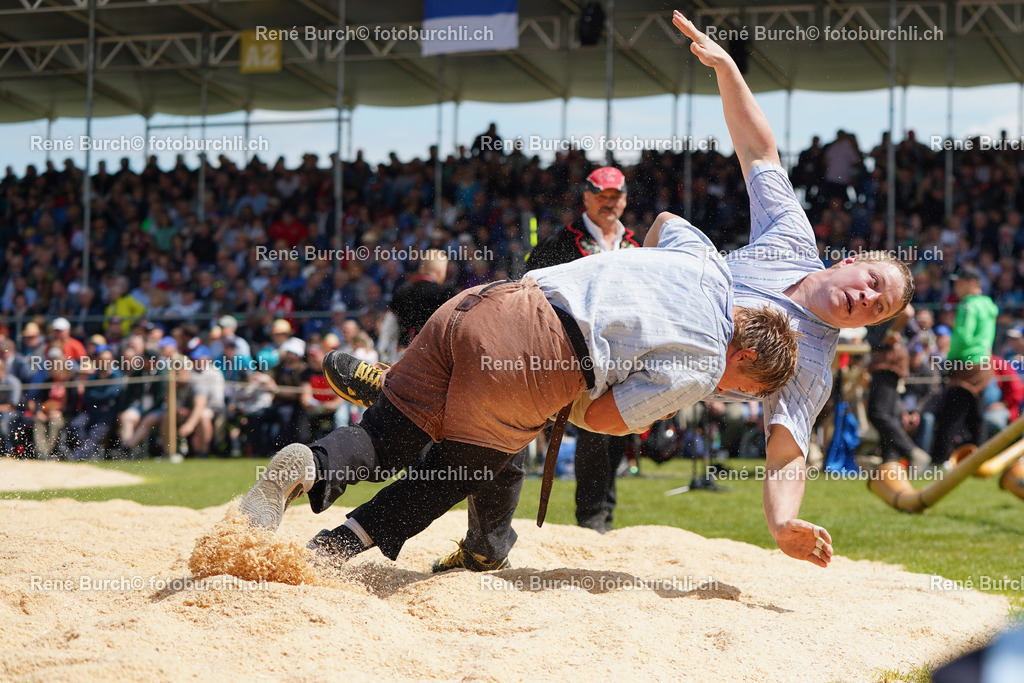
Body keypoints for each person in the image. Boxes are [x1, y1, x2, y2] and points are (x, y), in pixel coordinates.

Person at [238, 216, 801, 570]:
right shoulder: (703, 362)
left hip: (487, 301)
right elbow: (605, 419)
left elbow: (663, 222)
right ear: (745, 355)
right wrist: (564, 399)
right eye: (742, 388)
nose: (727, 394)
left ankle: (311, 464)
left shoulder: (709, 263)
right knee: (456, 470)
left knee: (386, 437)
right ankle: (335, 547)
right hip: (541, 359)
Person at [930, 266, 998, 464]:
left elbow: (962, 337)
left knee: (951, 414)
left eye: (960, 282)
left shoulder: (968, 305)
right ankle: (980, 459)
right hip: (983, 363)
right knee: (976, 416)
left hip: (966, 364)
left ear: (973, 283)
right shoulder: (988, 305)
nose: (956, 287)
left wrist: (950, 360)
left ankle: (939, 460)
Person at [865, 305, 931, 471]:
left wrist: (892, 335)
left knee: (878, 413)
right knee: (887, 414)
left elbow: (908, 312)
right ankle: (890, 460)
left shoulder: (887, 297)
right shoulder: (883, 301)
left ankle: (913, 453)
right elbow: (916, 334)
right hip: (885, 359)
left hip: (887, 360)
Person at [388, 249, 453, 354]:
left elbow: (389, 327)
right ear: (441, 271)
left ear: (421, 268)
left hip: (404, 353)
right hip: (433, 354)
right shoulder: (445, 294)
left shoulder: (402, 291)